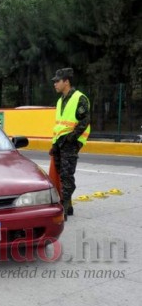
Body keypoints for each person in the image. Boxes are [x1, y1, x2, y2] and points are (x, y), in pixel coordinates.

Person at [49, 68, 91, 220]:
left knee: (67, 175)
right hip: (60, 142)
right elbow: (59, 125)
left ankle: (65, 208)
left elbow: (85, 121)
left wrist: (71, 138)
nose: (55, 84)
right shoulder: (60, 101)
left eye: (57, 81)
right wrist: (54, 144)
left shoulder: (80, 98)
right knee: (61, 174)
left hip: (71, 142)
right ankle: (69, 205)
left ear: (66, 82)